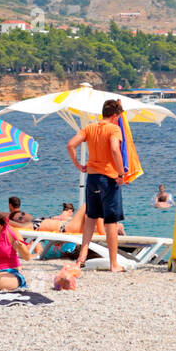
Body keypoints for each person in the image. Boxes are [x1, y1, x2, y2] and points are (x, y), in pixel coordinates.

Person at [66, 99, 128, 273]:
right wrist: (121, 173)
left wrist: (78, 164)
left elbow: (70, 145)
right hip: (108, 178)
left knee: (91, 218)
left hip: (92, 178)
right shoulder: (114, 129)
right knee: (111, 221)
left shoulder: (89, 128)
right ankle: (114, 263)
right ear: (115, 115)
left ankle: (80, 260)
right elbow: (115, 149)